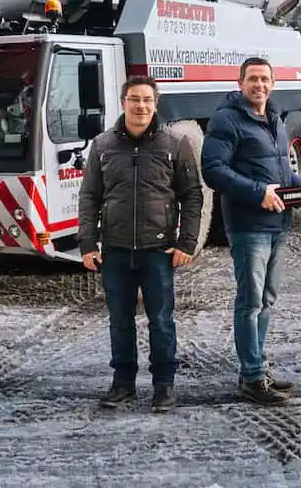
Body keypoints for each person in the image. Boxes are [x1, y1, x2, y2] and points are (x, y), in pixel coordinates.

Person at [77, 74, 204, 411]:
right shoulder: (102, 145)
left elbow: (192, 195)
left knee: (161, 321)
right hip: (115, 250)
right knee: (120, 321)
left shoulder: (175, 144)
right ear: (123, 103)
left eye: (147, 100)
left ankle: (164, 385)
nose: (141, 106)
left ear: (155, 104)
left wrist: (187, 243)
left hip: (158, 251)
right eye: (134, 99)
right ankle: (123, 384)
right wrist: (87, 243)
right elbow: (89, 196)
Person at [201, 57, 301, 406]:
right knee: (250, 302)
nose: (259, 85)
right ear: (240, 83)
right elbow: (213, 169)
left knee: (266, 300)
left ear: (273, 83)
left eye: (265, 79)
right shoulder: (226, 119)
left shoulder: (274, 117)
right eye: (253, 79)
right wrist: (258, 193)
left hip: (278, 224)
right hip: (249, 227)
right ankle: (252, 377)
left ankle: (257, 368)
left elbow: (281, 171)